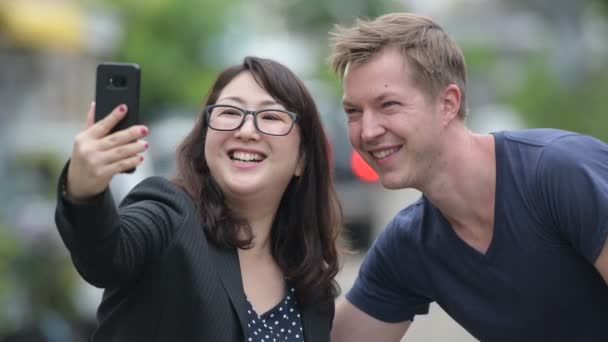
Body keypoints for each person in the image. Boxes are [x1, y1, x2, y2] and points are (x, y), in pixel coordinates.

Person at [328, 13, 608, 341]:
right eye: (353, 112)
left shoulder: (558, 172)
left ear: (448, 103)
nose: (368, 131)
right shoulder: (409, 245)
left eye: (388, 105)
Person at [54, 56, 342, 341]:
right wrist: (84, 189)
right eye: (230, 112)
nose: (246, 130)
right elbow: (106, 256)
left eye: (270, 117)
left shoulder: (311, 285)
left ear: (302, 159)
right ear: (206, 136)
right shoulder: (169, 212)